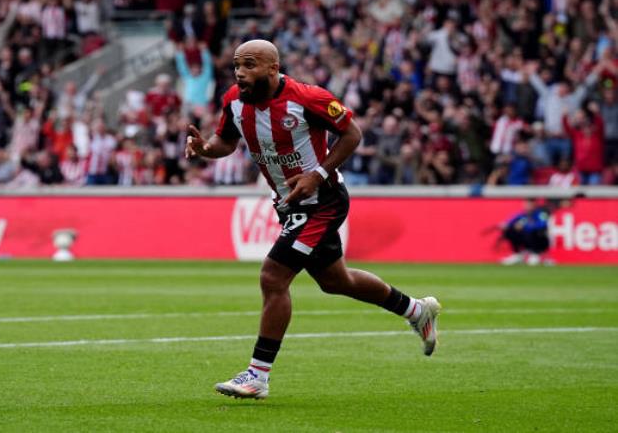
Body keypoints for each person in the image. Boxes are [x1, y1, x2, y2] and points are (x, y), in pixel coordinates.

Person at [185, 40, 441, 400]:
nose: (241, 72)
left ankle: (257, 376)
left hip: (323, 201)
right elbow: (225, 141)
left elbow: (352, 134)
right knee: (337, 281)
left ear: (273, 68)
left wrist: (317, 174)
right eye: (237, 65)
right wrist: (205, 150)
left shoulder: (308, 98)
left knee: (273, 276)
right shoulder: (234, 100)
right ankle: (416, 310)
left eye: (250, 64)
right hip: (290, 204)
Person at [500, 199, 551, 266]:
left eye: (530, 204)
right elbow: (510, 221)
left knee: (535, 232)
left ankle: (536, 254)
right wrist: (507, 225)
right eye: (526, 204)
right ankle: (517, 255)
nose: (528, 206)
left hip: (540, 240)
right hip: (526, 239)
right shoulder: (522, 215)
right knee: (510, 231)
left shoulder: (541, 214)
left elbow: (543, 224)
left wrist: (526, 226)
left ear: (534, 205)